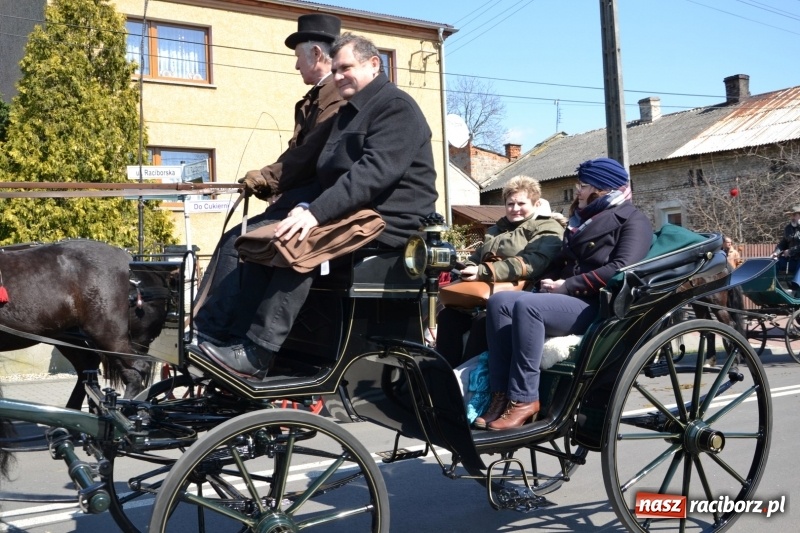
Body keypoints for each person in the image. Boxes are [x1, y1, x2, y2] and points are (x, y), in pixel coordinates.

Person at [200, 32, 438, 379]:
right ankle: (231, 340)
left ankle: (258, 353)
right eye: (336, 69)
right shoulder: (348, 114)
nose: (339, 76)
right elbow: (326, 176)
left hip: (387, 219)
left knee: (297, 243)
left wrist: (313, 213)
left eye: (346, 68)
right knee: (256, 239)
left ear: (374, 64)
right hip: (353, 211)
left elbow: (372, 174)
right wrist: (295, 206)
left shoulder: (395, 107)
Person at [193, 14, 346, 345]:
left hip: (319, 200)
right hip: (303, 196)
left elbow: (306, 157)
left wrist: (264, 179)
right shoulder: (317, 98)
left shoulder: (336, 99)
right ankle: (218, 329)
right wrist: (264, 179)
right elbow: (293, 155)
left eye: (298, 58)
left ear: (317, 55)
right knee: (240, 237)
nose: (296, 67)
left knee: (239, 240)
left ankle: (213, 331)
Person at [476, 158, 653, 431]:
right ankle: (500, 396)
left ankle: (525, 399)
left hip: (598, 305)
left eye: (582, 185)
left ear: (602, 188)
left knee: (528, 307)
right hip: (565, 299)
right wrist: (550, 279)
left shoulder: (633, 220)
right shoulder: (582, 219)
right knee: (500, 302)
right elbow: (564, 260)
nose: (577, 191)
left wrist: (567, 286)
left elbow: (621, 268)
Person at [435, 176, 563, 367]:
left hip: (523, 292)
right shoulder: (497, 230)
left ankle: (470, 381)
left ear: (536, 204)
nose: (515, 208)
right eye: (510, 204)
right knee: (448, 317)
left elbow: (534, 262)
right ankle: (441, 377)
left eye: (521, 203)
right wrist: (463, 268)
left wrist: (483, 271)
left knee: (483, 322)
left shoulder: (547, 227)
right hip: (483, 294)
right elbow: (477, 258)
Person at [771, 204, 800, 290]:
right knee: (774, 263)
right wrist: (775, 253)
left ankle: (796, 288)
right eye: (791, 215)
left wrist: (790, 251)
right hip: (791, 261)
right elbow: (783, 243)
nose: (792, 217)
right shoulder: (788, 228)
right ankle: (772, 285)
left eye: (794, 215)